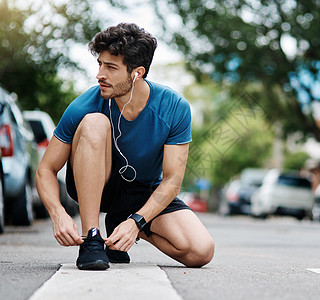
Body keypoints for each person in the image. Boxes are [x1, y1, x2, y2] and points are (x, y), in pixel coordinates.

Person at [35, 23, 214, 270]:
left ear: (137, 72)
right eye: (100, 64)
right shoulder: (84, 105)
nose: (100, 74)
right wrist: (57, 213)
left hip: (142, 193)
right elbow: (45, 169)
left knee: (200, 251)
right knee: (94, 123)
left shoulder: (173, 107)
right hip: (97, 185)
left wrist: (136, 223)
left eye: (111, 67)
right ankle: (92, 239)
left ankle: (121, 224)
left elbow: (172, 179)